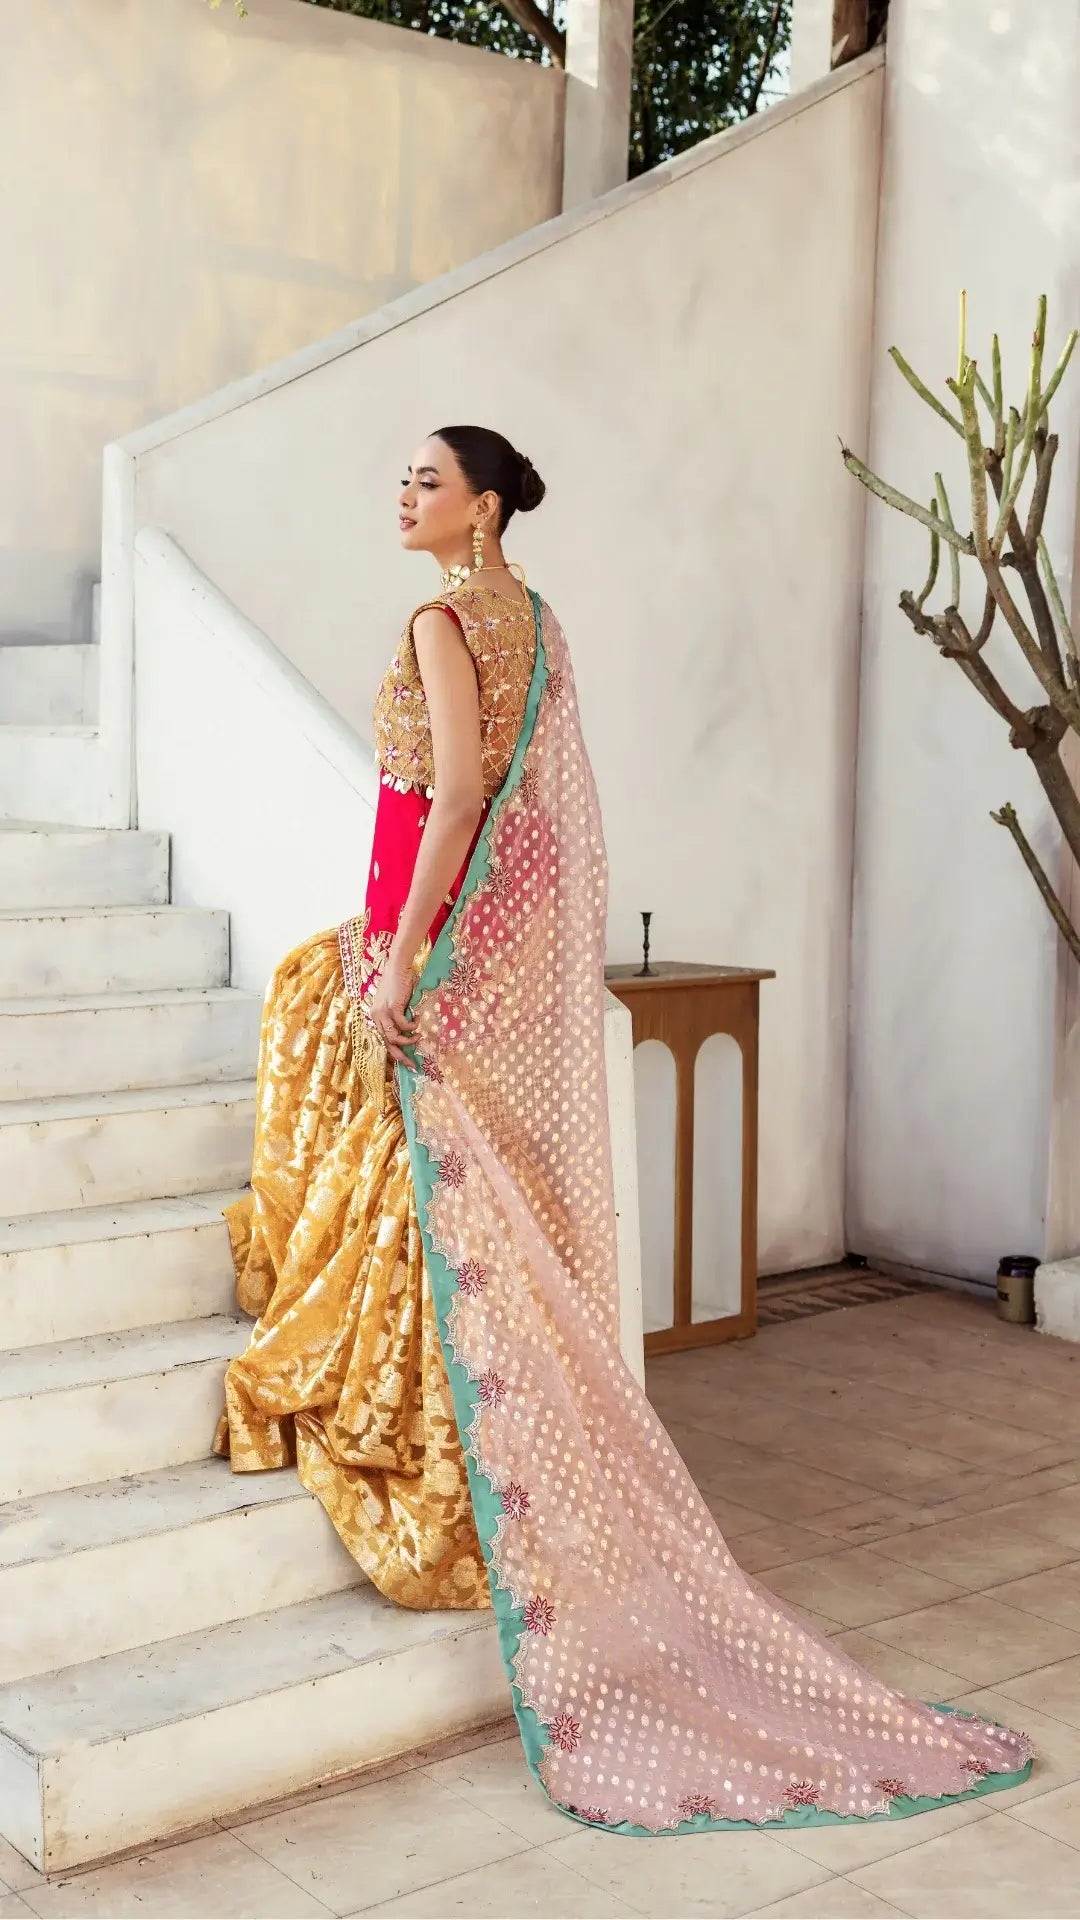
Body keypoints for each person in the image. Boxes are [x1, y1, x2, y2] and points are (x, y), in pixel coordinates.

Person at [215, 424, 1032, 1835]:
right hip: (478, 925)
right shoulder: (534, 617)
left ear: (479, 509)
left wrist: (406, 957)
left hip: (431, 922)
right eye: (400, 475)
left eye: (425, 479)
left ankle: (399, 1420)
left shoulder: (439, 618)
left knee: (342, 1056)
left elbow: (463, 797)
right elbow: (538, 822)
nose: (401, 494)